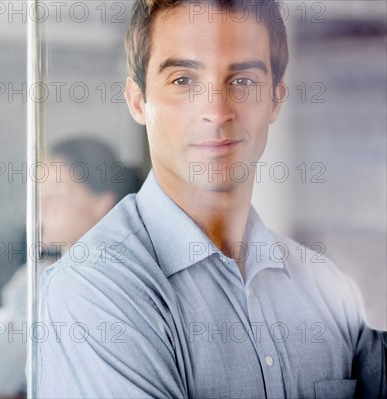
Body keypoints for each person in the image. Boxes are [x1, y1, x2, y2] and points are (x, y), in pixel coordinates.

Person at [37, 1, 386, 398]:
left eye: (242, 81)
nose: (217, 111)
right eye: (183, 80)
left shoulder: (327, 288)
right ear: (138, 101)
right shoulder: (95, 291)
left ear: (275, 99)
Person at [1, 138, 142, 395]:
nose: (40, 209)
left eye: (55, 196)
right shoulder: (28, 280)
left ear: (102, 203)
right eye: (38, 197)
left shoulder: (124, 283)